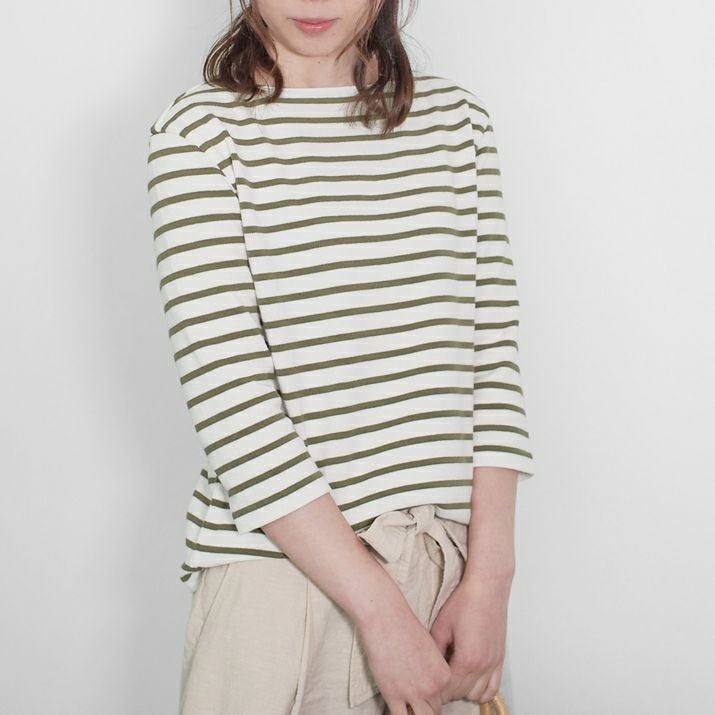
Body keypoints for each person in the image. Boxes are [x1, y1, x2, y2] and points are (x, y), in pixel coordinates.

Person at [145, 1, 536, 713]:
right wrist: (380, 614)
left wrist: (490, 581)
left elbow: (493, 361)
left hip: (444, 578)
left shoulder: (457, 123)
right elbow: (233, 403)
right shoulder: (200, 133)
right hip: (281, 580)